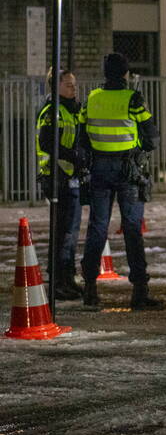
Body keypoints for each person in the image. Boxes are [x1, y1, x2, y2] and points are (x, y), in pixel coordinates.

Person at [80, 53, 163, 311]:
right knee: (131, 229)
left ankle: (90, 289)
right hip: (128, 171)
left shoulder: (92, 98)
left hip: (99, 169)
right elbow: (151, 136)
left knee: (97, 228)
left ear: (105, 73)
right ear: (125, 73)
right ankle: (139, 292)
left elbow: (82, 135)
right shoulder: (133, 98)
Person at [35, 68, 86, 300]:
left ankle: (67, 277)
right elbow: (47, 143)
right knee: (63, 232)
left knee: (71, 231)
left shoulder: (71, 110)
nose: (73, 88)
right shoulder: (52, 112)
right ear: (55, 86)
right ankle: (58, 282)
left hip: (69, 176)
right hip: (56, 177)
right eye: (68, 84)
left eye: (74, 85)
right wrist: (73, 156)